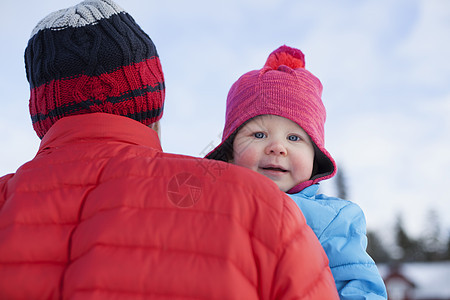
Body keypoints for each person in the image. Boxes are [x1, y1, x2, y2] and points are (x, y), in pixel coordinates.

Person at [0, 1, 339, 299]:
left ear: (42, 110)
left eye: (295, 138)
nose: (277, 148)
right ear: (154, 102)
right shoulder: (261, 207)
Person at [206, 45, 388, 299]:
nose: (277, 147)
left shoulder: (332, 219)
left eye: (294, 137)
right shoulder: (209, 205)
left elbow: (358, 286)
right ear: (229, 152)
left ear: (315, 158)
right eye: (259, 134)